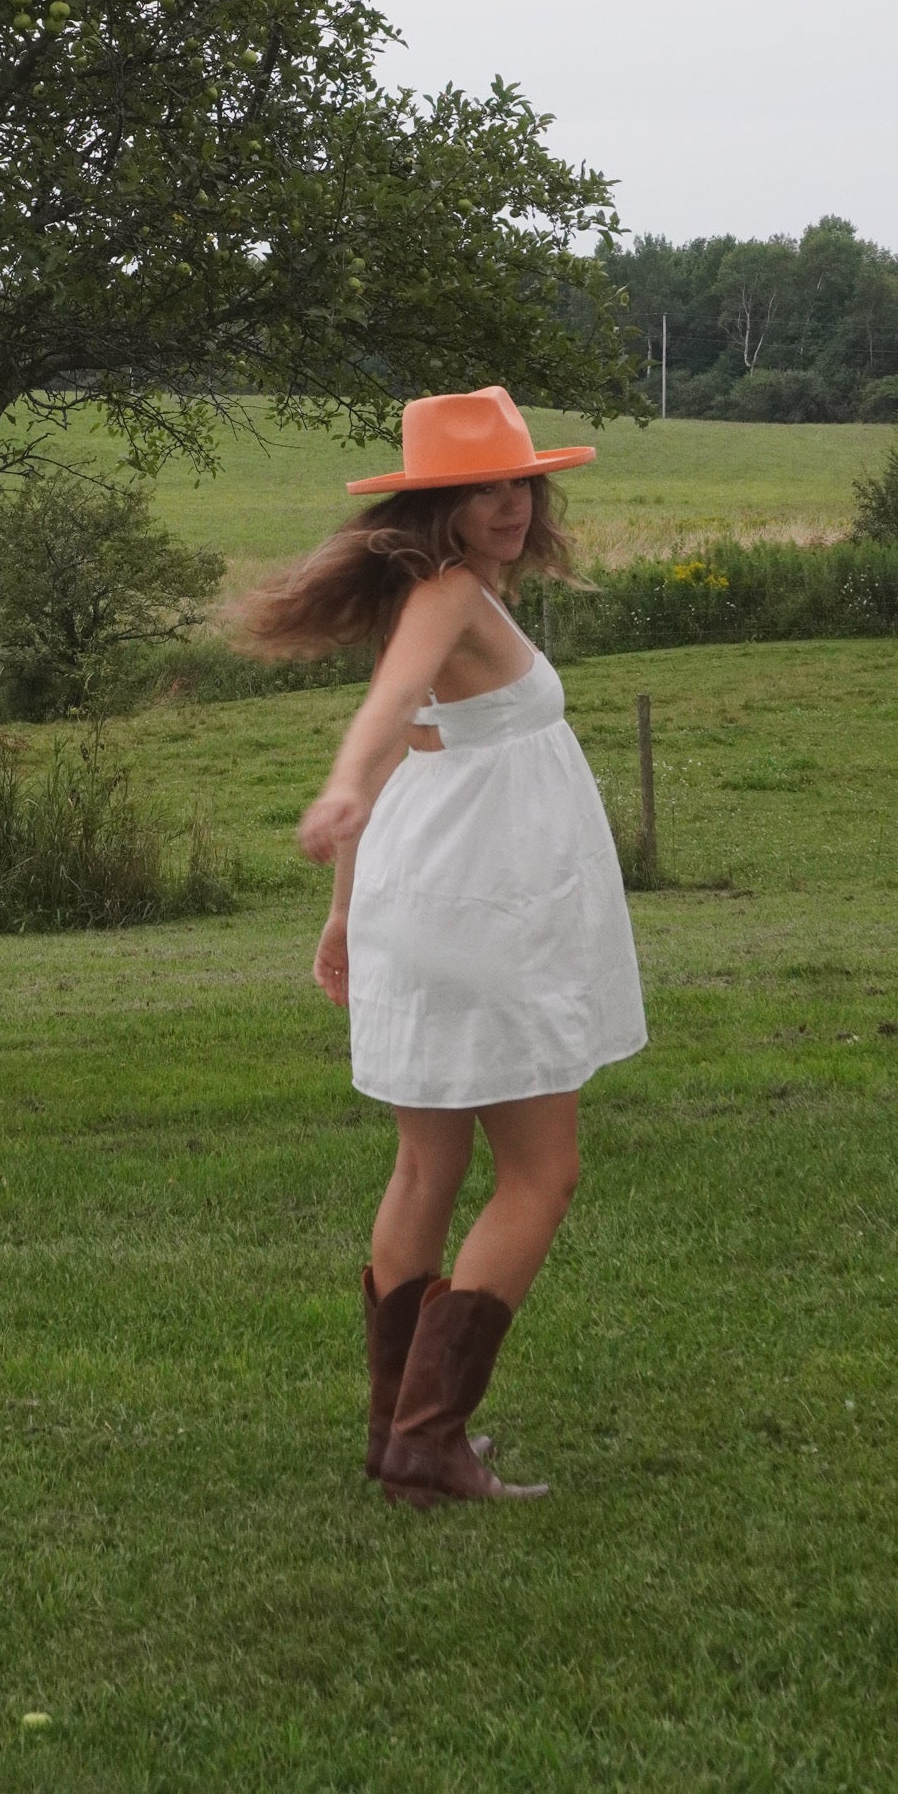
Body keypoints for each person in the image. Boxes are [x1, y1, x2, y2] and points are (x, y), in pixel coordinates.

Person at [247, 386, 647, 1509]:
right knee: (542, 1173)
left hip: (419, 902)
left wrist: (339, 908)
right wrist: (336, 781)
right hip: (487, 917)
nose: (510, 503)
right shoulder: (450, 592)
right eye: (481, 486)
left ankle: (399, 1438)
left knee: (428, 1164)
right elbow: (385, 715)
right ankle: (428, 1439)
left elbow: (407, 753)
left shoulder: (426, 595)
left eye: (520, 481)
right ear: (437, 503)